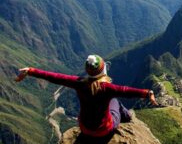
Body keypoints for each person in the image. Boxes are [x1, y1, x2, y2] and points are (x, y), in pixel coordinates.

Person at [15, 55, 158, 137]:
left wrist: (31, 71)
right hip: (104, 130)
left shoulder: (78, 83)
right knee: (115, 101)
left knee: (111, 100)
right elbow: (126, 91)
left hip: (84, 127)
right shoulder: (107, 88)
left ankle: (126, 118)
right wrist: (148, 93)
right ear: (103, 71)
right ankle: (128, 119)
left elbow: (55, 77)